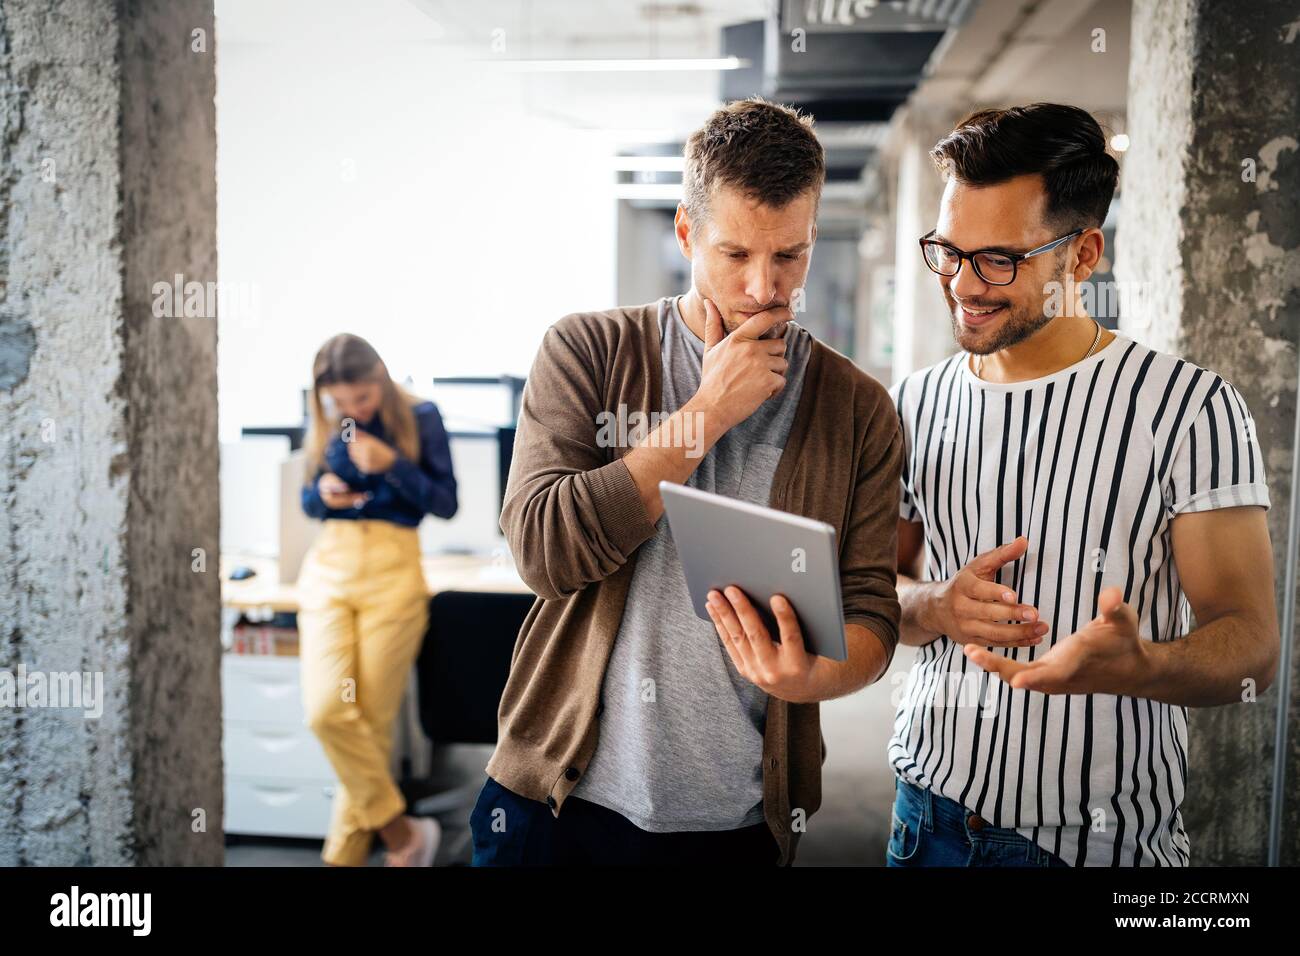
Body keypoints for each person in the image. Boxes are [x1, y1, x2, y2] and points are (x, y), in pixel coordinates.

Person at [468, 97, 904, 866]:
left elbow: (872, 611)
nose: (766, 287)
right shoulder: (587, 351)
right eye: (735, 255)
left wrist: (813, 675)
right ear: (685, 232)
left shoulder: (858, 408)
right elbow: (541, 551)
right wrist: (705, 414)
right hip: (557, 804)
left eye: (790, 255)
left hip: (735, 824)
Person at [888, 103, 1279, 867]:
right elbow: (874, 588)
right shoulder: (913, 401)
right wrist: (929, 603)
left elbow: (1255, 648)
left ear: (1083, 254)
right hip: (923, 818)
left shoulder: (1189, 409)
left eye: (1000, 258)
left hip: (1092, 846)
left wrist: (1147, 667)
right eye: (949, 251)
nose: (964, 284)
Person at [297, 333, 458, 866]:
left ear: (382, 380)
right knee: (326, 712)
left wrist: (391, 461)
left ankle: (341, 859)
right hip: (330, 568)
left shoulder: (423, 416)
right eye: (339, 403)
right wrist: (322, 494)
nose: (351, 411)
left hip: (393, 572)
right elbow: (307, 497)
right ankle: (402, 833)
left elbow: (445, 501)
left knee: (367, 721)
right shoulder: (324, 418)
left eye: (361, 399)